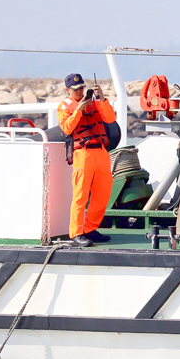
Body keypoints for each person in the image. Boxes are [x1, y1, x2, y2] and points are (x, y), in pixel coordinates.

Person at [57, 73, 116, 247]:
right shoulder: (64, 106)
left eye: (81, 88)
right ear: (68, 90)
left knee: (103, 194)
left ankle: (90, 229)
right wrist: (78, 111)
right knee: (80, 195)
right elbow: (67, 128)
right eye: (75, 89)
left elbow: (110, 119)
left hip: (101, 152)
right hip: (82, 153)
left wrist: (103, 98)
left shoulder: (96, 103)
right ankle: (76, 233)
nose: (79, 91)